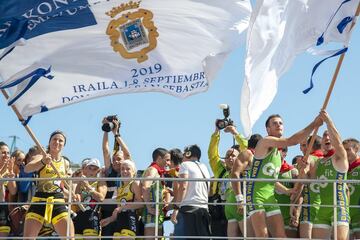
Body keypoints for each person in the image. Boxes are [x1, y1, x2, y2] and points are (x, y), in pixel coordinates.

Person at [247, 113, 322, 238]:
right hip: (255, 195)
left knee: (281, 236)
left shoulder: (277, 153)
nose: (278, 125)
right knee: (262, 236)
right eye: (274, 123)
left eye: (281, 123)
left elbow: (271, 180)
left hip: (269, 196)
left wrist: (288, 190)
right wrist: (314, 124)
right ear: (268, 129)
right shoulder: (265, 141)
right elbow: (291, 141)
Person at [23, 130, 75, 239]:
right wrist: (43, 162)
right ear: (49, 142)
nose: (57, 142)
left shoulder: (65, 162)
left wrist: (71, 193)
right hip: (39, 199)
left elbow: (61, 184)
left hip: (58, 200)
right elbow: (27, 169)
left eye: (61, 140)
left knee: (69, 237)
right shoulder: (41, 156)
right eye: (54, 139)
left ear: (64, 145)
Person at [310, 111, 349, 240]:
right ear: (321, 144)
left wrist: (328, 122)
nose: (327, 138)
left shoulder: (340, 157)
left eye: (329, 136)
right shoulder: (318, 162)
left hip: (339, 207)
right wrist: (302, 169)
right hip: (323, 208)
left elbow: (338, 143)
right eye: (324, 136)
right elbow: (308, 181)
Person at [207, 123, 247, 238]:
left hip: (241, 207)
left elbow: (246, 148)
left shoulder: (244, 169)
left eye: (233, 155)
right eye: (227, 155)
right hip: (223, 211)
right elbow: (212, 155)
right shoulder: (221, 171)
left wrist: (235, 133)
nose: (230, 158)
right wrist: (216, 132)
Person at [101, 116, 132, 236]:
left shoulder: (126, 171)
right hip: (108, 210)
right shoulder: (109, 171)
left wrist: (116, 133)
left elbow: (127, 153)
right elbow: (105, 150)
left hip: (123, 209)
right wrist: (105, 131)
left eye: (119, 159)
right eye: (114, 159)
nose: (115, 161)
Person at [174, 144, 211, 239]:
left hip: (188, 209)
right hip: (204, 209)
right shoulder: (204, 167)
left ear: (188, 154)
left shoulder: (185, 165)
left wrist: (176, 207)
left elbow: (183, 186)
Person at [101, 159, 143, 239]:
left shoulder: (134, 183)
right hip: (119, 220)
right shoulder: (119, 188)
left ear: (134, 172)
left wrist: (122, 207)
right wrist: (109, 219)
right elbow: (118, 209)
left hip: (130, 218)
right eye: (122, 169)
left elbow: (141, 204)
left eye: (128, 169)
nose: (125, 171)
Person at [230, 134, 262, 238]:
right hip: (245, 201)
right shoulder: (248, 154)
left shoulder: (258, 156)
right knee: (251, 237)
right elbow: (234, 174)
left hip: (253, 200)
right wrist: (240, 199)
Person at [296, 135, 323, 239]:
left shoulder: (309, 159)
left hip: (309, 205)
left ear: (309, 146)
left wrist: (302, 169)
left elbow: (303, 181)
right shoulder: (328, 160)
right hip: (326, 206)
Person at [73, 158, 107, 239]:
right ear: (85, 169)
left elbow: (101, 198)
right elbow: (77, 199)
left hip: (92, 215)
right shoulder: (80, 182)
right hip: (80, 216)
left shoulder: (100, 181)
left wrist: (88, 187)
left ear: (98, 171)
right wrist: (76, 198)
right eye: (90, 168)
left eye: (94, 169)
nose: (91, 171)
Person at [141, 148, 170, 240]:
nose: (168, 163)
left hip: (157, 213)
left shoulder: (157, 171)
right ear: (159, 158)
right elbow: (145, 187)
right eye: (167, 159)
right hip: (151, 214)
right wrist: (149, 207)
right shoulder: (153, 170)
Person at [274, 147, 299, 238]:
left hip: (288, 215)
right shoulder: (266, 171)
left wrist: (297, 212)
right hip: (270, 214)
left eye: (283, 150)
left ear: (285, 153)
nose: (279, 152)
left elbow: (299, 194)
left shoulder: (292, 171)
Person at [343, 138, 360, 240]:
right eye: (343, 150)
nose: (345, 153)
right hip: (345, 213)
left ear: (356, 149)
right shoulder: (343, 169)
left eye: (348, 149)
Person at [0, 142, 17, 238]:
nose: (6, 155)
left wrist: (10, 174)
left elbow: (13, 191)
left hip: (3, 210)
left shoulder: (9, 171)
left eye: (8, 152)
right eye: (3, 152)